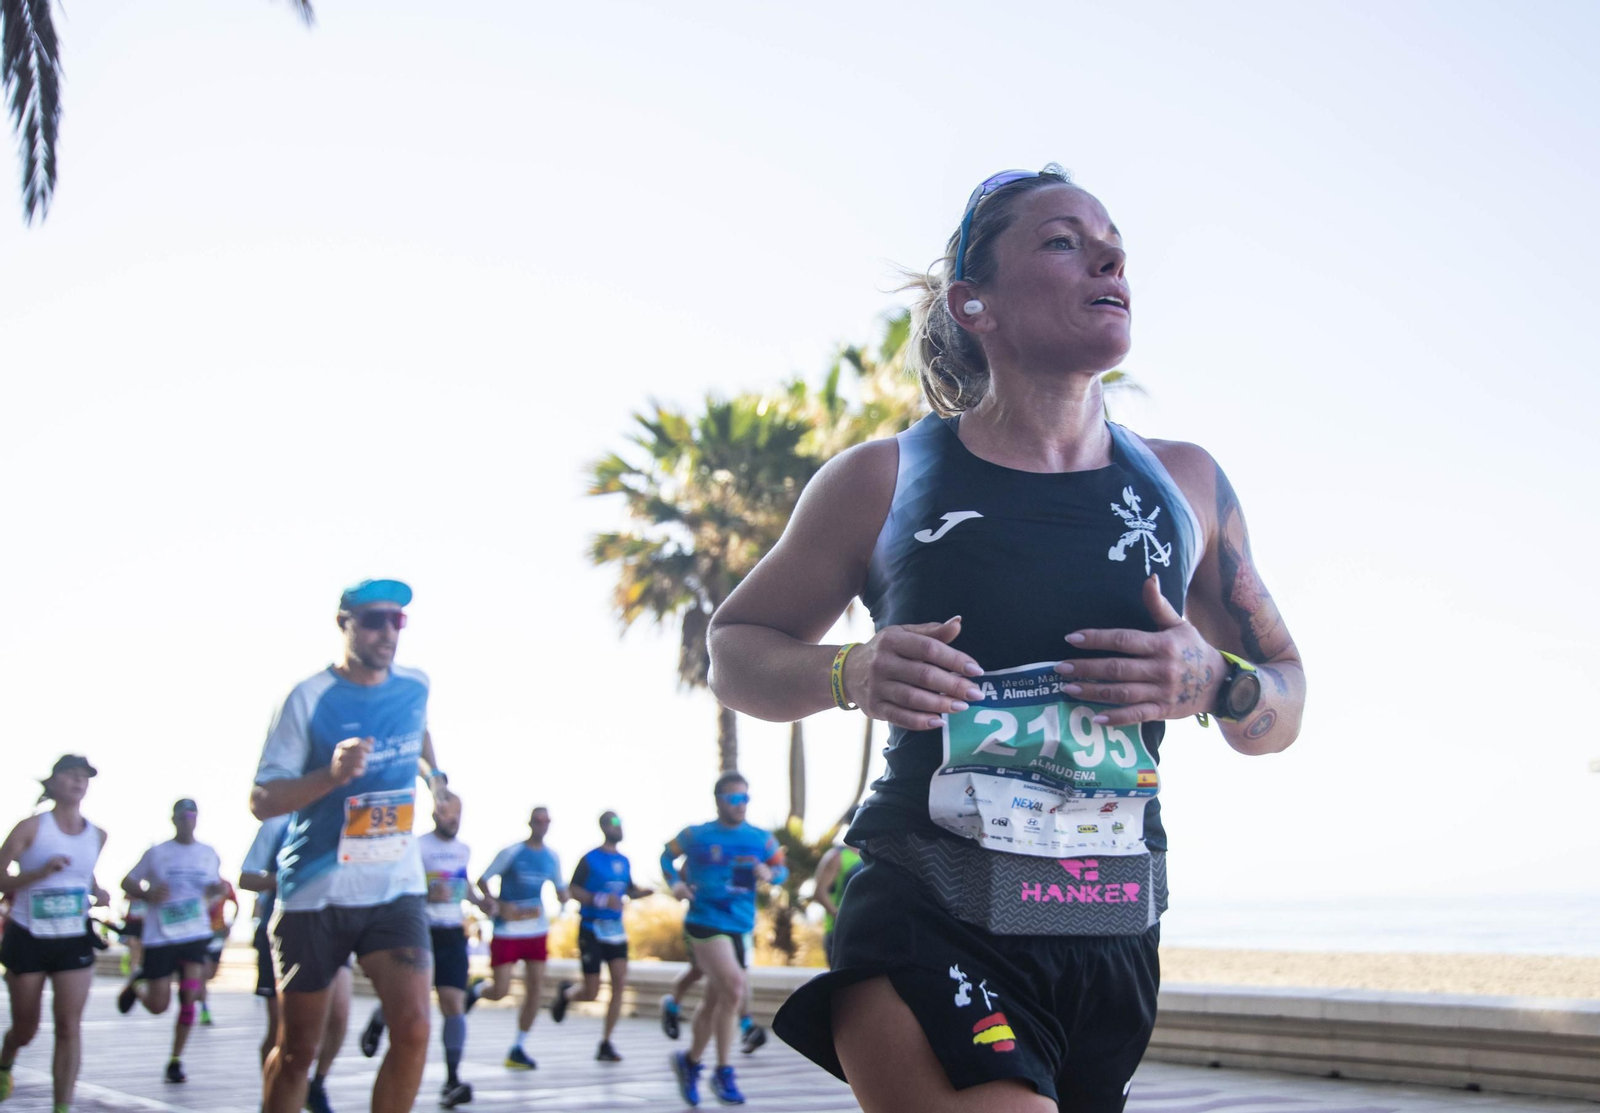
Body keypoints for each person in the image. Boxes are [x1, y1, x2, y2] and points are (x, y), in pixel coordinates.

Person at [705, 165, 1307, 1113]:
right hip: (928, 903)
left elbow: (1283, 702)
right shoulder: (887, 478)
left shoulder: (1186, 486)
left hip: (1110, 932)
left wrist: (1215, 677)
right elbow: (733, 645)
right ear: (972, 302)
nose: (1110, 254)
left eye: (1113, 241)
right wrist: (849, 671)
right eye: (1064, 240)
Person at [250, 577, 450, 1113]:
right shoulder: (307, 697)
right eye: (373, 620)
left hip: (395, 887)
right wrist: (332, 775)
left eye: (397, 621)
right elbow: (263, 799)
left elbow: (422, 735)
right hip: (317, 891)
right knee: (297, 1052)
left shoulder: (416, 685)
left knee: (413, 1029)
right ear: (345, 624)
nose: (388, 632)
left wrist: (439, 783)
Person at [662, 773, 787, 1106]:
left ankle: (689, 1062)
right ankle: (723, 1071)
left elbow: (781, 868)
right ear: (718, 800)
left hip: (740, 926)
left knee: (716, 1001)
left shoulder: (760, 838)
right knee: (734, 987)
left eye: (745, 798)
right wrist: (675, 884)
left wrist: (770, 874)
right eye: (734, 799)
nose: (740, 805)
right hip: (704, 921)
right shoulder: (696, 835)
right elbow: (666, 855)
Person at [359, 789, 488, 1108]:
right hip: (421, 930)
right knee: (408, 1000)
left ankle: (452, 1079)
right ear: (434, 814)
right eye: (447, 814)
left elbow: (463, 882)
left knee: (453, 1004)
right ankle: (380, 1018)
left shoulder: (464, 850)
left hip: (453, 933)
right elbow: (399, 883)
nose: (453, 820)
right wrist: (429, 892)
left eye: (458, 814)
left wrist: (481, 901)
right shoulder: (416, 846)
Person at [0, 755, 109, 1112]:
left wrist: (100, 891)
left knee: (68, 1026)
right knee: (26, 1028)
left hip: (73, 937)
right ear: (55, 782)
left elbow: (84, 877)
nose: (79, 782)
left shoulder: (97, 834)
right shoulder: (31, 828)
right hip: (27, 935)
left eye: (84, 777)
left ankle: (62, 1107)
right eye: (71, 775)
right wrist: (39, 874)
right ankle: (7, 1057)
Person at [239, 814, 353, 1113]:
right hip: (287, 931)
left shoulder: (348, 816)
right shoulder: (277, 824)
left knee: (339, 1017)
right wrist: (292, 875)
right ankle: (272, 1097)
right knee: (284, 1031)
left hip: (336, 929)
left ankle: (316, 1085)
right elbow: (246, 876)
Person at [116, 799, 224, 1085]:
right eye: (182, 816)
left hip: (194, 933)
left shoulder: (208, 853)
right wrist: (147, 894)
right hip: (160, 936)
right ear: (173, 819)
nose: (187, 820)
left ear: (197, 819)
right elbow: (127, 881)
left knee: (190, 997)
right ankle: (138, 985)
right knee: (158, 1006)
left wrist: (217, 889)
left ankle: (176, 1060)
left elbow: (215, 888)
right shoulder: (157, 853)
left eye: (192, 815)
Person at [550, 811, 653, 1061]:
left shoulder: (625, 861)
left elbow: (627, 889)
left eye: (621, 822)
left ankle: (606, 1042)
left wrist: (643, 892)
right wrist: (599, 899)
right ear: (604, 827)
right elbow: (573, 889)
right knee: (592, 991)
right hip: (592, 928)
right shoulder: (590, 859)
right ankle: (566, 994)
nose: (619, 827)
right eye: (614, 823)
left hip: (616, 931)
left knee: (619, 983)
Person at [474, 807, 566, 1070]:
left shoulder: (552, 857)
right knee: (500, 990)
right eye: (538, 820)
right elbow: (483, 880)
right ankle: (478, 989)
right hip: (507, 931)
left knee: (536, 988)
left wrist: (565, 898)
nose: (542, 825)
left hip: (536, 929)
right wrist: (495, 904)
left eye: (547, 821)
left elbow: (561, 889)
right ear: (530, 823)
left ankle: (519, 1047)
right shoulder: (512, 852)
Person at [660, 938, 766, 1053]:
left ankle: (747, 1026)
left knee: (740, 975)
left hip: (739, 928)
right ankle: (672, 1006)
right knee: (696, 972)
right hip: (709, 928)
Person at [811, 812, 863, 968]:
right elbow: (819, 893)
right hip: (838, 932)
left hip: (863, 931)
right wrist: (840, 915)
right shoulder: (837, 856)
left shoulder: (871, 854)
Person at [197, 878, 239, 1025]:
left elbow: (236, 904)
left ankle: (197, 990)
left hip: (219, 933)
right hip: (201, 933)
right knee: (203, 972)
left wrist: (230, 924)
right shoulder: (200, 882)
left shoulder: (225, 884)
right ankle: (204, 1009)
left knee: (211, 973)